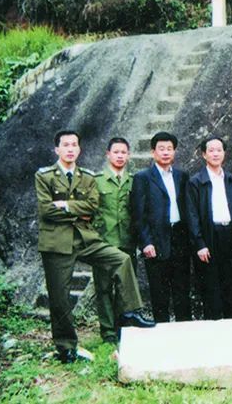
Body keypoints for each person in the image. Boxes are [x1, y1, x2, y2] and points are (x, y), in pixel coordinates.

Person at [35, 130, 153, 363]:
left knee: (122, 259)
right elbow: (45, 210)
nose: (70, 149)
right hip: (57, 242)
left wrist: (65, 206)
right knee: (60, 297)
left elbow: (91, 206)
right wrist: (75, 210)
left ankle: (130, 312)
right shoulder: (45, 176)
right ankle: (66, 347)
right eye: (65, 145)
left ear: (79, 149)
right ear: (57, 149)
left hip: (85, 238)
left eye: (74, 145)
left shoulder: (87, 176)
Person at [131, 131, 191, 323]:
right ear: (153, 152)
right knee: (159, 290)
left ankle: (185, 330)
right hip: (156, 240)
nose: (165, 152)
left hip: (179, 237)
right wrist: (146, 242)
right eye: (161, 149)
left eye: (169, 149)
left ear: (174, 152)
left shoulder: (182, 176)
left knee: (182, 288)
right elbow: (138, 215)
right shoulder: (143, 178)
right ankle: (162, 331)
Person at [186, 136, 232, 320]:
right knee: (211, 286)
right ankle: (214, 328)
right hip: (210, 237)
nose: (215, 154)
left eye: (219, 150)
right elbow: (192, 216)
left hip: (231, 235)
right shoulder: (196, 182)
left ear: (224, 153)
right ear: (204, 154)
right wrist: (199, 244)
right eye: (211, 150)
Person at [92, 137, 138, 343]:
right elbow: (90, 212)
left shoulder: (133, 181)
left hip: (127, 242)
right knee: (103, 288)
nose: (120, 156)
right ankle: (108, 332)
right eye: (116, 152)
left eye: (123, 152)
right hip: (104, 243)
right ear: (108, 154)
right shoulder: (97, 180)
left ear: (128, 155)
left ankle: (123, 329)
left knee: (125, 288)